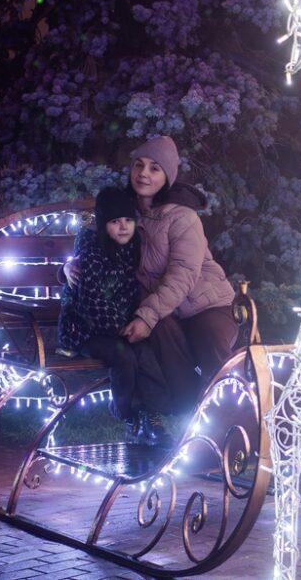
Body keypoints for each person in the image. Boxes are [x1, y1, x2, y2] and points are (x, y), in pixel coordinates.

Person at [57, 187, 190, 447]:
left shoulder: (132, 249)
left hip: (118, 328)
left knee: (145, 351)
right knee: (124, 354)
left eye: (128, 220)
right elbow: (92, 303)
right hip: (85, 330)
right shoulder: (91, 253)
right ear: (103, 224)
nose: (123, 227)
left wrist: (133, 325)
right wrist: (121, 329)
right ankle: (127, 414)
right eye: (115, 222)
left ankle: (154, 416)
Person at [120, 136, 238, 384]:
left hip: (206, 305)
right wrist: (70, 267)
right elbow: (101, 249)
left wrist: (147, 315)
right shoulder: (125, 215)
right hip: (166, 309)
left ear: (167, 177)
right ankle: (188, 406)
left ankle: (236, 402)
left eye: (155, 168)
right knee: (156, 332)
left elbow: (182, 273)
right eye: (138, 165)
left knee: (210, 344)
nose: (143, 174)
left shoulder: (182, 217)